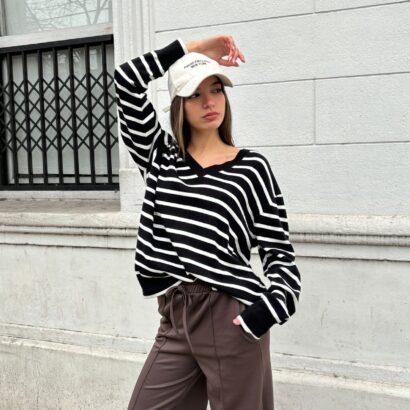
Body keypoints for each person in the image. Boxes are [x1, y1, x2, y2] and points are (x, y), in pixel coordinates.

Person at [114, 34, 301, 410]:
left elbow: (279, 253)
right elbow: (126, 79)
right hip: (175, 316)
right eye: (195, 94)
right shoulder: (161, 158)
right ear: (179, 105)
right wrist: (193, 49)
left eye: (216, 90)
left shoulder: (251, 168)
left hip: (231, 314)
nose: (209, 101)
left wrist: (265, 311)